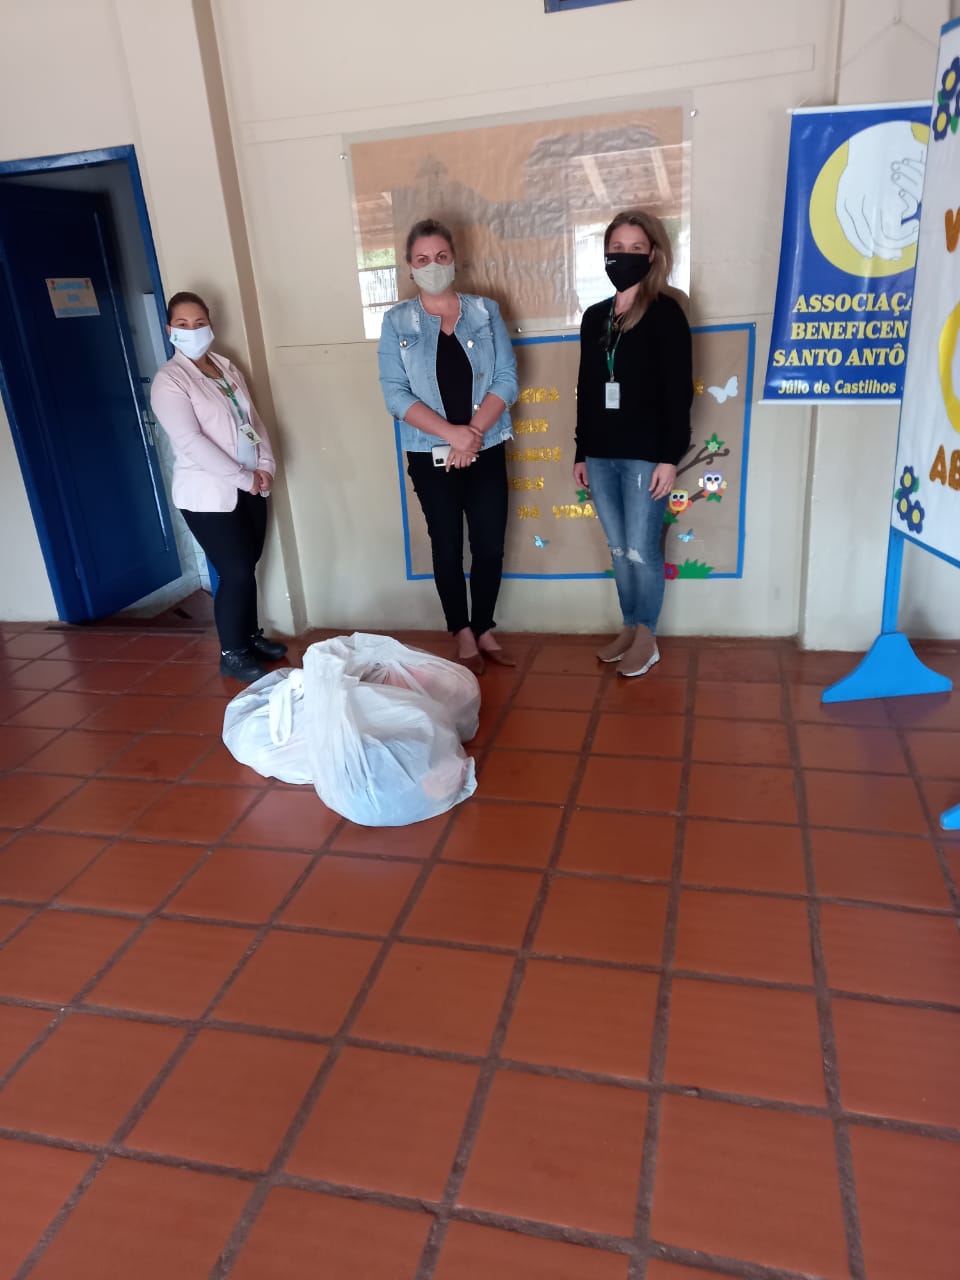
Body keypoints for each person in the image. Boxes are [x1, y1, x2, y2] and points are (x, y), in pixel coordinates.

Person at [378, 219, 519, 674]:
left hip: (486, 446)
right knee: (446, 545)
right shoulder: (396, 321)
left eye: (441, 257)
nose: (433, 266)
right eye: (422, 259)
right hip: (429, 454)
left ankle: (484, 625)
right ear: (410, 266)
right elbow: (395, 395)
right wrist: (451, 435)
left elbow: (507, 379)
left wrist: (471, 434)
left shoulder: (485, 311)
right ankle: (460, 630)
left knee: (490, 544)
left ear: (454, 259)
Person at [573, 210, 693, 678]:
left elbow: (678, 392)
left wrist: (669, 457)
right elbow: (587, 387)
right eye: (616, 248)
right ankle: (628, 624)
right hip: (600, 455)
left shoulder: (665, 313)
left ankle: (647, 634)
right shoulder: (594, 318)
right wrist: (581, 452)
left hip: (646, 455)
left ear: (653, 254)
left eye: (635, 249)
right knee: (619, 548)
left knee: (642, 548)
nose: (624, 257)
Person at [150, 291, 287, 683]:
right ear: (170, 329)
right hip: (208, 494)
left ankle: (250, 637)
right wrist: (245, 477)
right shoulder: (169, 381)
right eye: (183, 324)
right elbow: (191, 441)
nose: (192, 330)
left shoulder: (225, 367)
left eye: (199, 323)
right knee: (235, 570)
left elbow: (252, 420)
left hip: (251, 484)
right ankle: (232, 653)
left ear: (210, 325)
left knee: (248, 565)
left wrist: (265, 466)